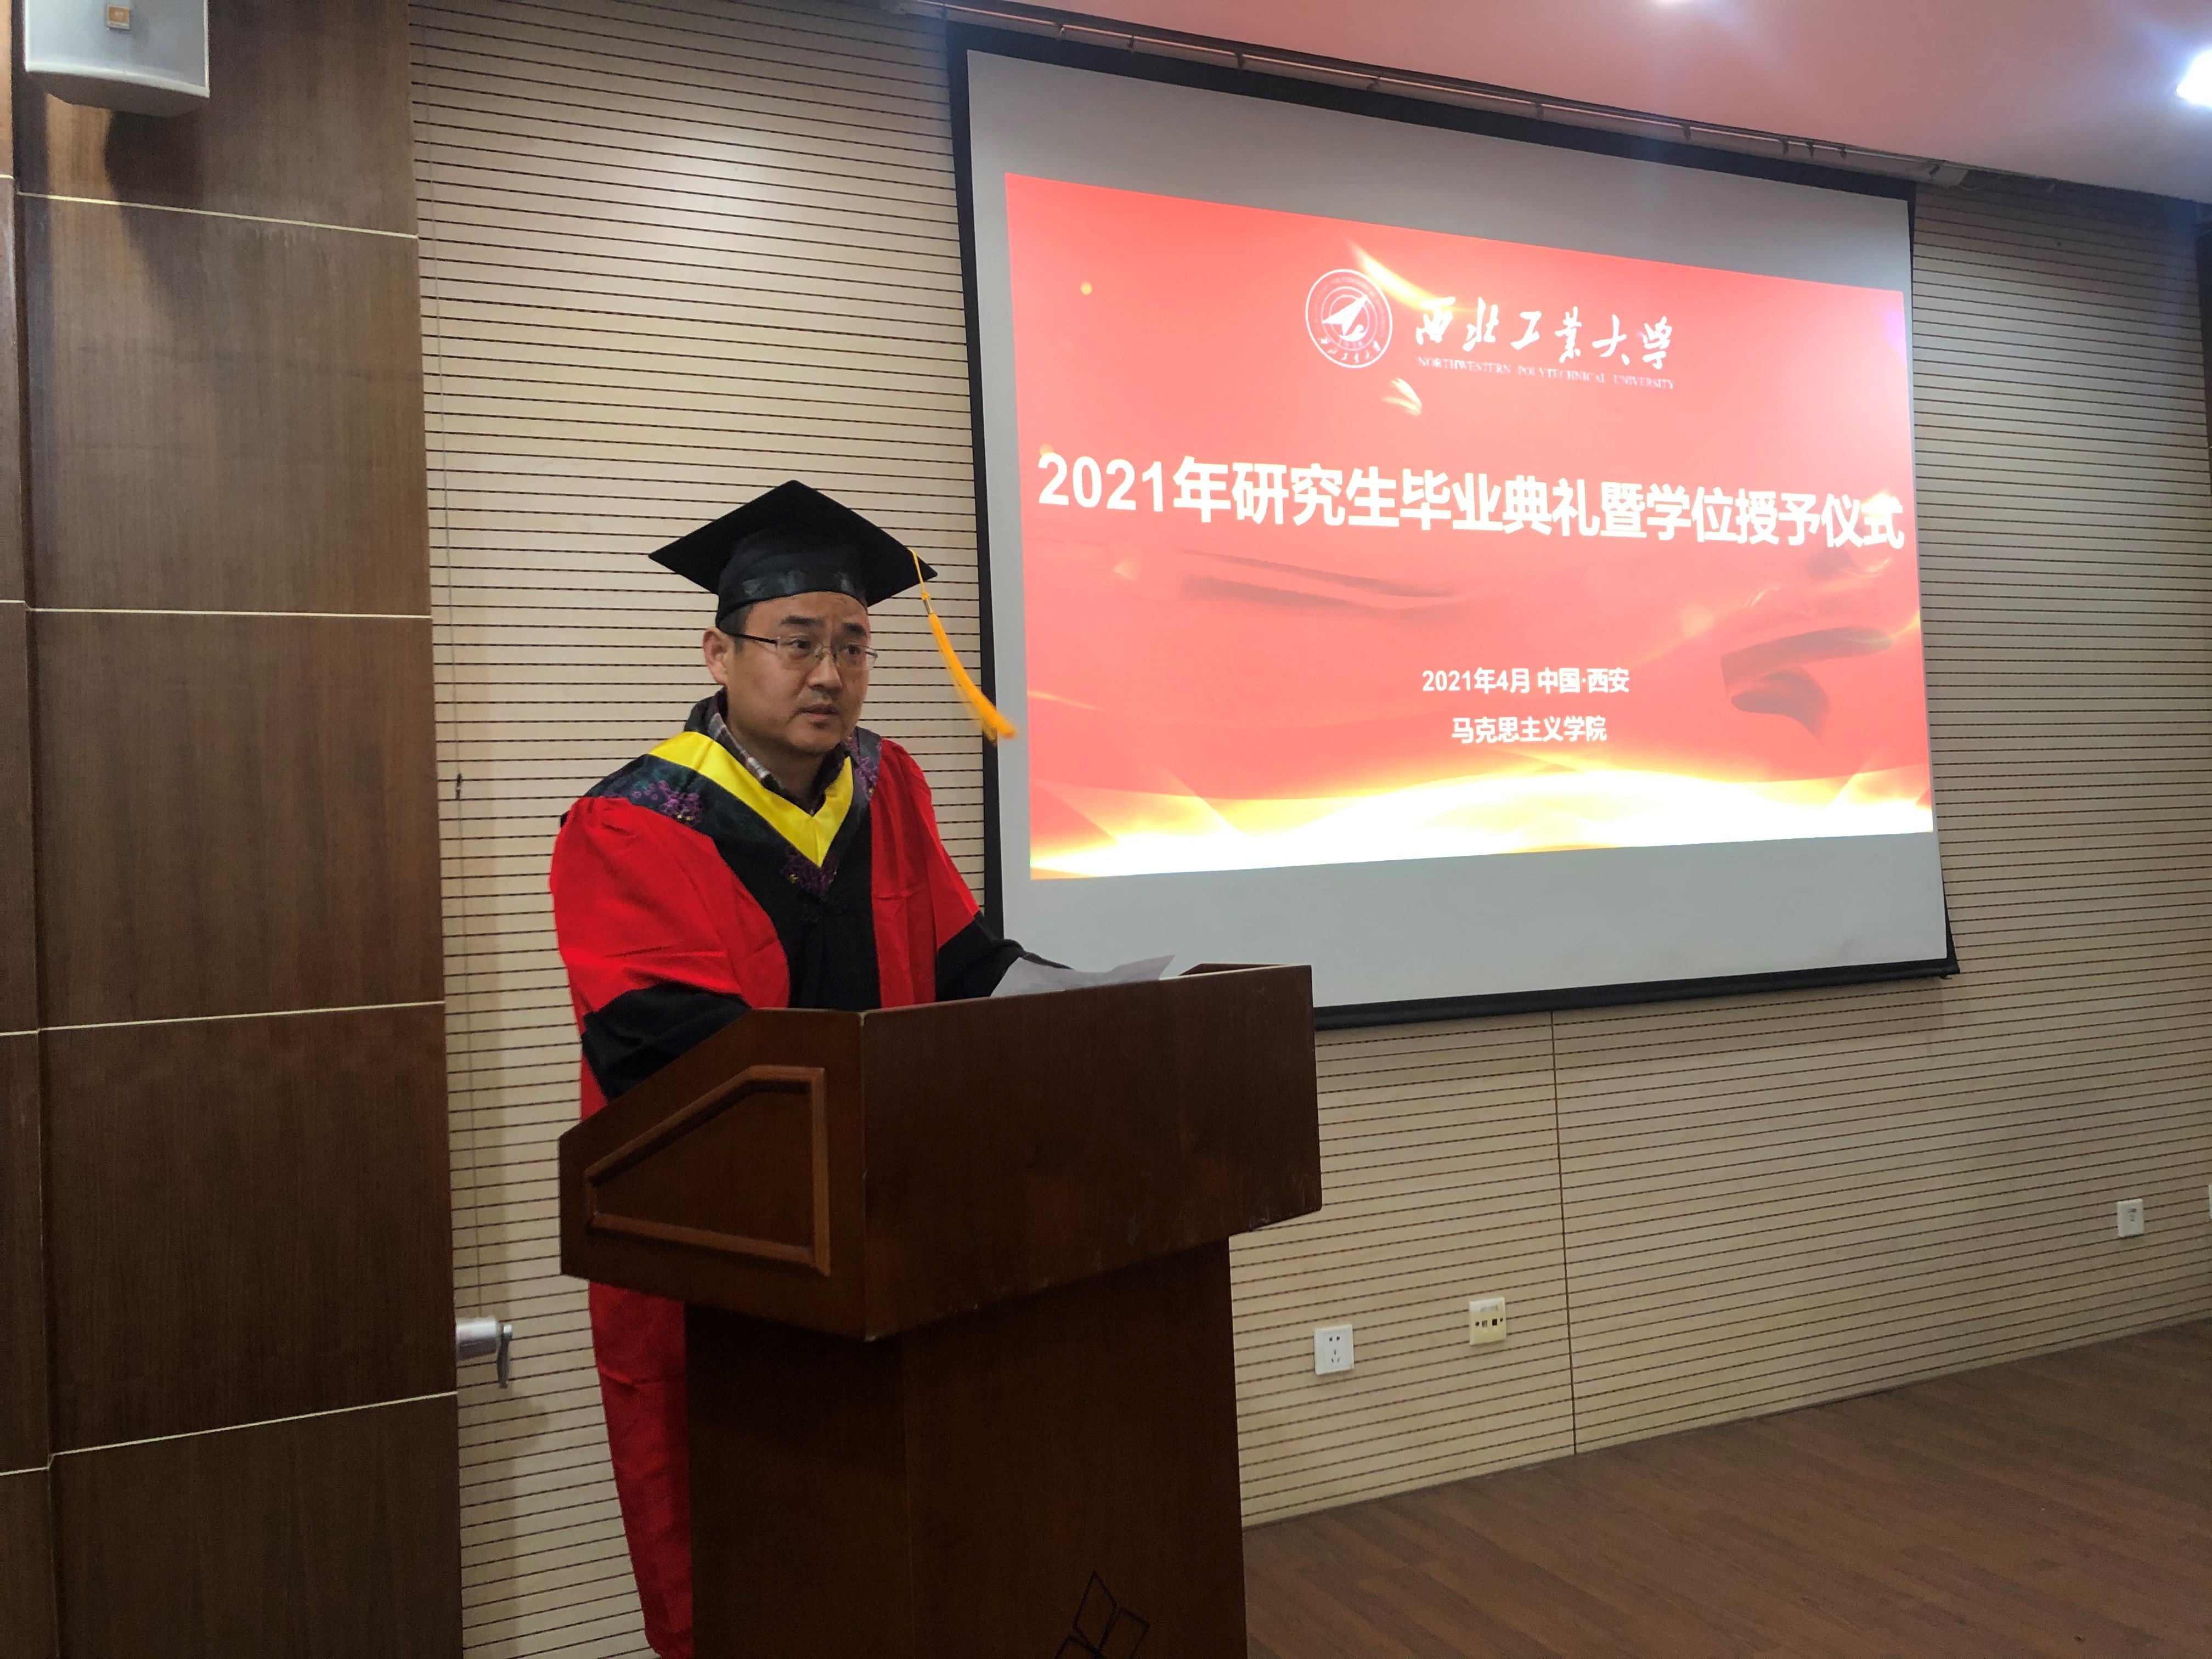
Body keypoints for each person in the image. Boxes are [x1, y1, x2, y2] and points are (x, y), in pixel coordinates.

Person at [549, 481, 1030, 1659]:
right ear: (720, 652)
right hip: (724, 1255)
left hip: (888, 1237)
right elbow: (670, 1046)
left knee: (900, 1554)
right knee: (747, 1566)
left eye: (853, 646)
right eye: (797, 642)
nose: (829, 674)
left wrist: (1094, 1003)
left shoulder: (888, 783)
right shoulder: (632, 821)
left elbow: (961, 962)